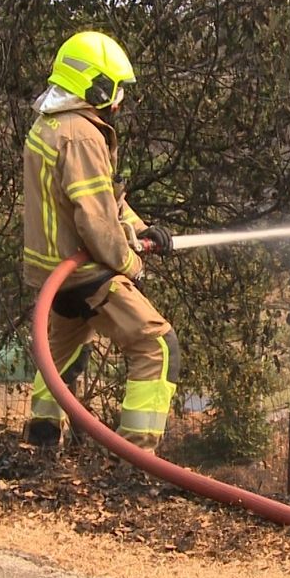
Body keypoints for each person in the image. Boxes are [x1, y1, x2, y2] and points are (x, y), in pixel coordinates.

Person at [21, 30, 178, 452]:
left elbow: (99, 197)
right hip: (85, 270)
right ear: (97, 85)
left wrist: (141, 230)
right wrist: (131, 263)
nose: (119, 100)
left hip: (54, 273)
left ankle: (39, 448)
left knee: (60, 358)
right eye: (117, 88)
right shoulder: (82, 134)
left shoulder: (49, 122)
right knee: (157, 346)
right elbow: (95, 221)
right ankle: (136, 459)